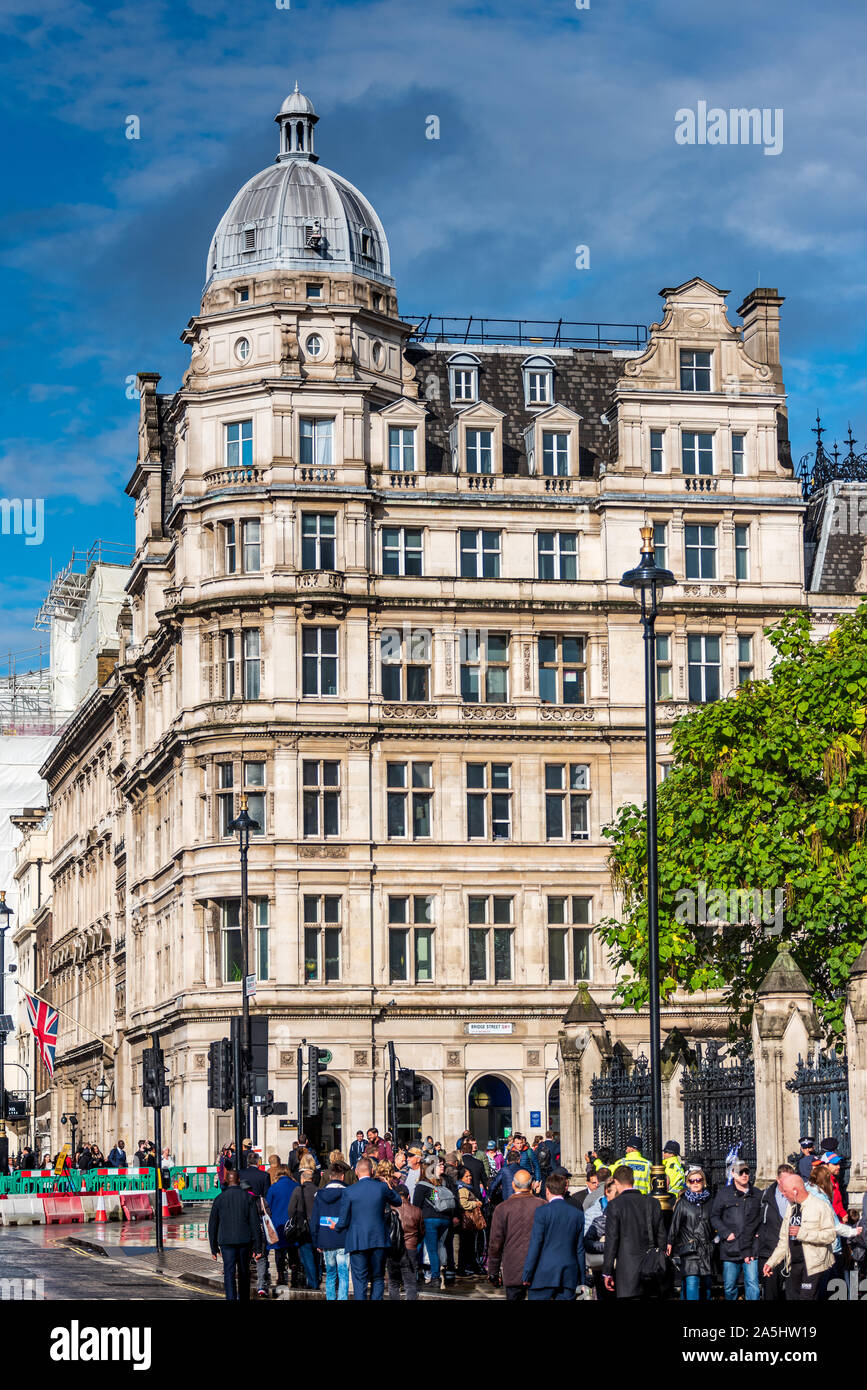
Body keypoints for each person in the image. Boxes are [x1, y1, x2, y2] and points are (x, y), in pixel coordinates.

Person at [763, 1169, 837, 1300]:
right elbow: (783, 1241)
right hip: (794, 1265)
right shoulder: (791, 1208)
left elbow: (830, 1235)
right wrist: (771, 1262)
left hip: (813, 1266)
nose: (783, 1194)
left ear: (795, 1190)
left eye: (785, 1191)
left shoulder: (820, 1206)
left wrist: (802, 1233)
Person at [336, 1156, 401, 1300]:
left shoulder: (349, 1191)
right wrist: (387, 1185)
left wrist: (337, 1227)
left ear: (356, 1172)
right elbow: (398, 1200)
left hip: (357, 1240)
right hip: (378, 1239)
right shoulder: (381, 1187)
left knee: (360, 1281)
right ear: (372, 1171)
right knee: (377, 1278)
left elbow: (343, 1220)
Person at [521, 1172, 586, 1300]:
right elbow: (580, 1249)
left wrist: (527, 1273)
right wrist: (582, 1279)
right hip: (568, 1274)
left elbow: (536, 1244)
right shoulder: (577, 1214)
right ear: (564, 1189)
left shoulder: (542, 1212)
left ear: (547, 1190)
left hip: (544, 1273)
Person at [602, 1164, 663, 1299]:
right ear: (633, 1180)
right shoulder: (653, 1203)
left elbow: (612, 1240)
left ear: (616, 1183)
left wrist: (607, 1271)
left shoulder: (615, 1205)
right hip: (651, 1268)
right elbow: (661, 1236)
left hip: (627, 1271)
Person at [487, 1168, 545, 1300]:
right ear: (531, 1185)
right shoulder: (542, 1205)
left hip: (513, 1268)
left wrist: (493, 1272)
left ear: (513, 1185)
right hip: (538, 1268)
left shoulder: (502, 1208)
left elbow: (495, 1243)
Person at [710, 1158, 762, 1301]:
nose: (744, 1175)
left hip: (751, 1247)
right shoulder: (724, 1194)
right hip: (730, 1248)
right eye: (740, 1172)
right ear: (733, 1174)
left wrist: (759, 1233)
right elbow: (714, 1216)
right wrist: (726, 1233)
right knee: (729, 1286)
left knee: (753, 1284)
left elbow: (763, 1218)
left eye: (746, 1172)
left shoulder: (757, 1193)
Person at [208, 1167, 264, 1300]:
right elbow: (255, 1223)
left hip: (226, 1242)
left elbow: (213, 1225)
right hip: (245, 1241)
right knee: (244, 1272)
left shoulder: (219, 1199)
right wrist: (258, 1247)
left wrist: (214, 1248)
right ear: (239, 1180)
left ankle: (231, 1297)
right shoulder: (248, 1198)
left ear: (226, 1180)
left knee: (229, 1272)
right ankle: (244, 1297)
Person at [667, 1165, 713, 1300]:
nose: (695, 1183)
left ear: (703, 1182)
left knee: (707, 1284)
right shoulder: (682, 1203)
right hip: (690, 1249)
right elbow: (674, 1225)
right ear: (688, 1183)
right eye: (692, 1181)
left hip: (706, 1249)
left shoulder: (710, 1201)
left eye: (698, 1180)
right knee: (692, 1282)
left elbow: (715, 1222)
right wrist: (669, 1242)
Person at [413, 1157, 455, 1288]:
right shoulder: (441, 1183)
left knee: (431, 1250)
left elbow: (416, 1206)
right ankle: (445, 1272)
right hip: (445, 1219)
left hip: (430, 1220)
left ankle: (435, 1277)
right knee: (440, 1247)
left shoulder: (422, 1185)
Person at [758, 1162, 795, 1300]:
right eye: (785, 1180)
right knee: (771, 1294)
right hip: (770, 1251)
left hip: (792, 1253)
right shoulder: (765, 1196)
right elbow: (754, 1222)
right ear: (778, 1180)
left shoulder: (798, 1197)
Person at [313, 1166, 350, 1300]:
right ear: (342, 1177)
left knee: (330, 1274)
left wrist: (316, 1239)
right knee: (343, 1274)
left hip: (325, 1238)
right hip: (343, 1238)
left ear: (329, 1177)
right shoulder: (348, 1193)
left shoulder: (320, 1194)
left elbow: (315, 1219)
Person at [386, 1175, 423, 1300]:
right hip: (410, 1248)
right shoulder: (417, 1211)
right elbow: (422, 1231)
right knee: (410, 1283)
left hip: (393, 1249)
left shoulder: (390, 1210)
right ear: (408, 1196)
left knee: (393, 1283)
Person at [265, 1164, 297, 1287]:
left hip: (277, 1224)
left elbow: (268, 1207)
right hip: (292, 1223)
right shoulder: (296, 1186)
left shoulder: (273, 1188)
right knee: (293, 1249)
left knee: (279, 1251)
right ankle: (294, 1272)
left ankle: (280, 1275)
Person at [289, 1166, 320, 1290]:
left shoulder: (298, 1190)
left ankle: (313, 1282)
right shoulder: (319, 1190)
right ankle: (316, 1278)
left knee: (307, 1256)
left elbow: (291, 1210)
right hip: (317, 1227)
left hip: (303, 1228)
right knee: (317, 1256)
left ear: (302, 1179)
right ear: (312, 1179)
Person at [456, 1164, 485, 1275]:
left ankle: (470, 1267)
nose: (470, 1178)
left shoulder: (467, 1188)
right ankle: (463, 1269)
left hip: (469, 1222)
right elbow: (463, 1203)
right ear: (461, 1178)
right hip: (467, 1221)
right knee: (466, 1246)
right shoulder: (462, 1189)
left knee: (468, 1245)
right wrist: (475, 1203)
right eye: (467, 1176)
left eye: (470, 1176)